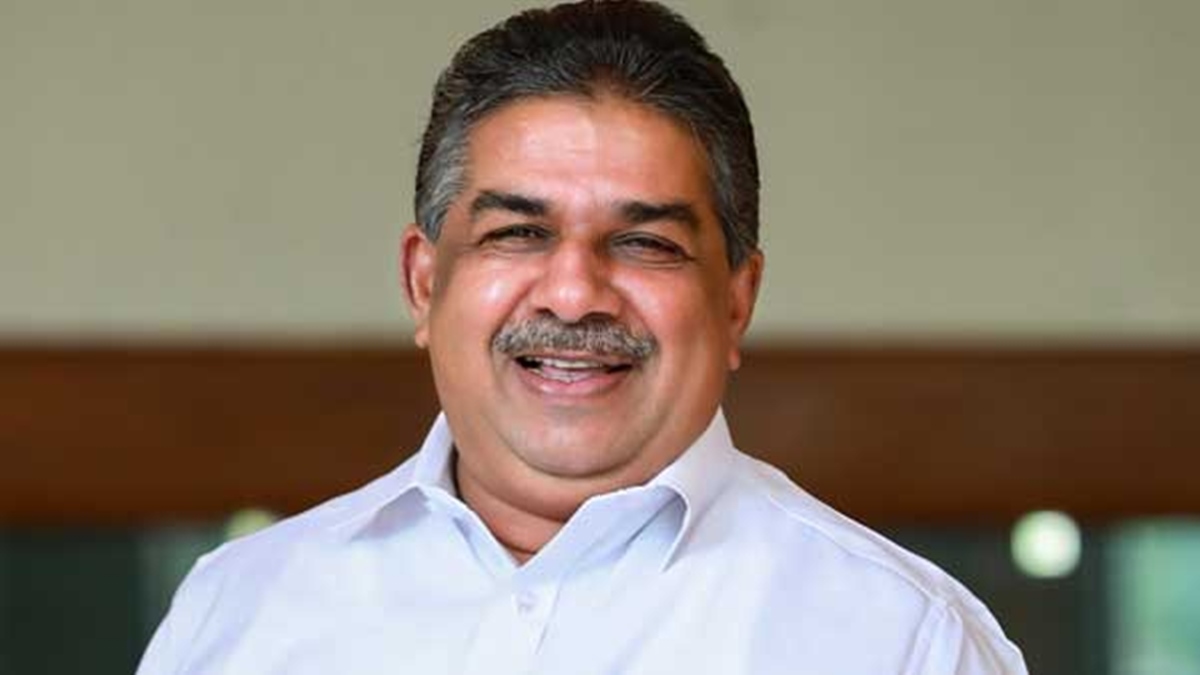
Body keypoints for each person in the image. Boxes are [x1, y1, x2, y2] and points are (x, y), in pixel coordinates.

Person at [137, 2, 1028, 673]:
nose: (572, 295)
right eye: (518, 231)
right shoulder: (237, 610)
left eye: (645, 242)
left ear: (735, 303)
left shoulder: (906, 641)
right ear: (424, 282)